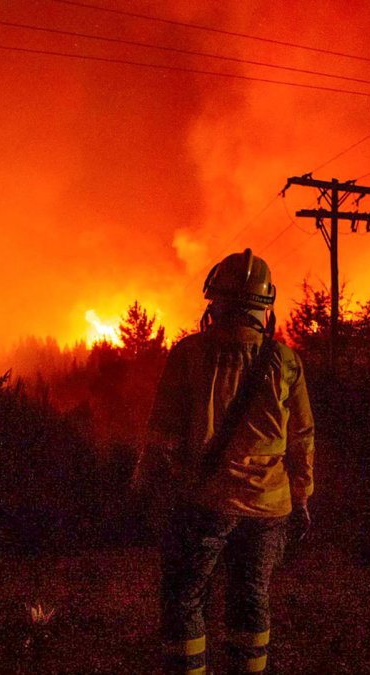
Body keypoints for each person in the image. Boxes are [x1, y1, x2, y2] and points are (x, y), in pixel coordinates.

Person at [147, 248, 315, 675]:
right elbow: (302, 438)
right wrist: (302, 495)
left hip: (204, 502)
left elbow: (162, 436)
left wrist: (157, 488)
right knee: (251, 595)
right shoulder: (287, 362)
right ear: (265, 306)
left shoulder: (188, 355)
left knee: (185, 596)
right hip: (269, 507)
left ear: (215, 301)